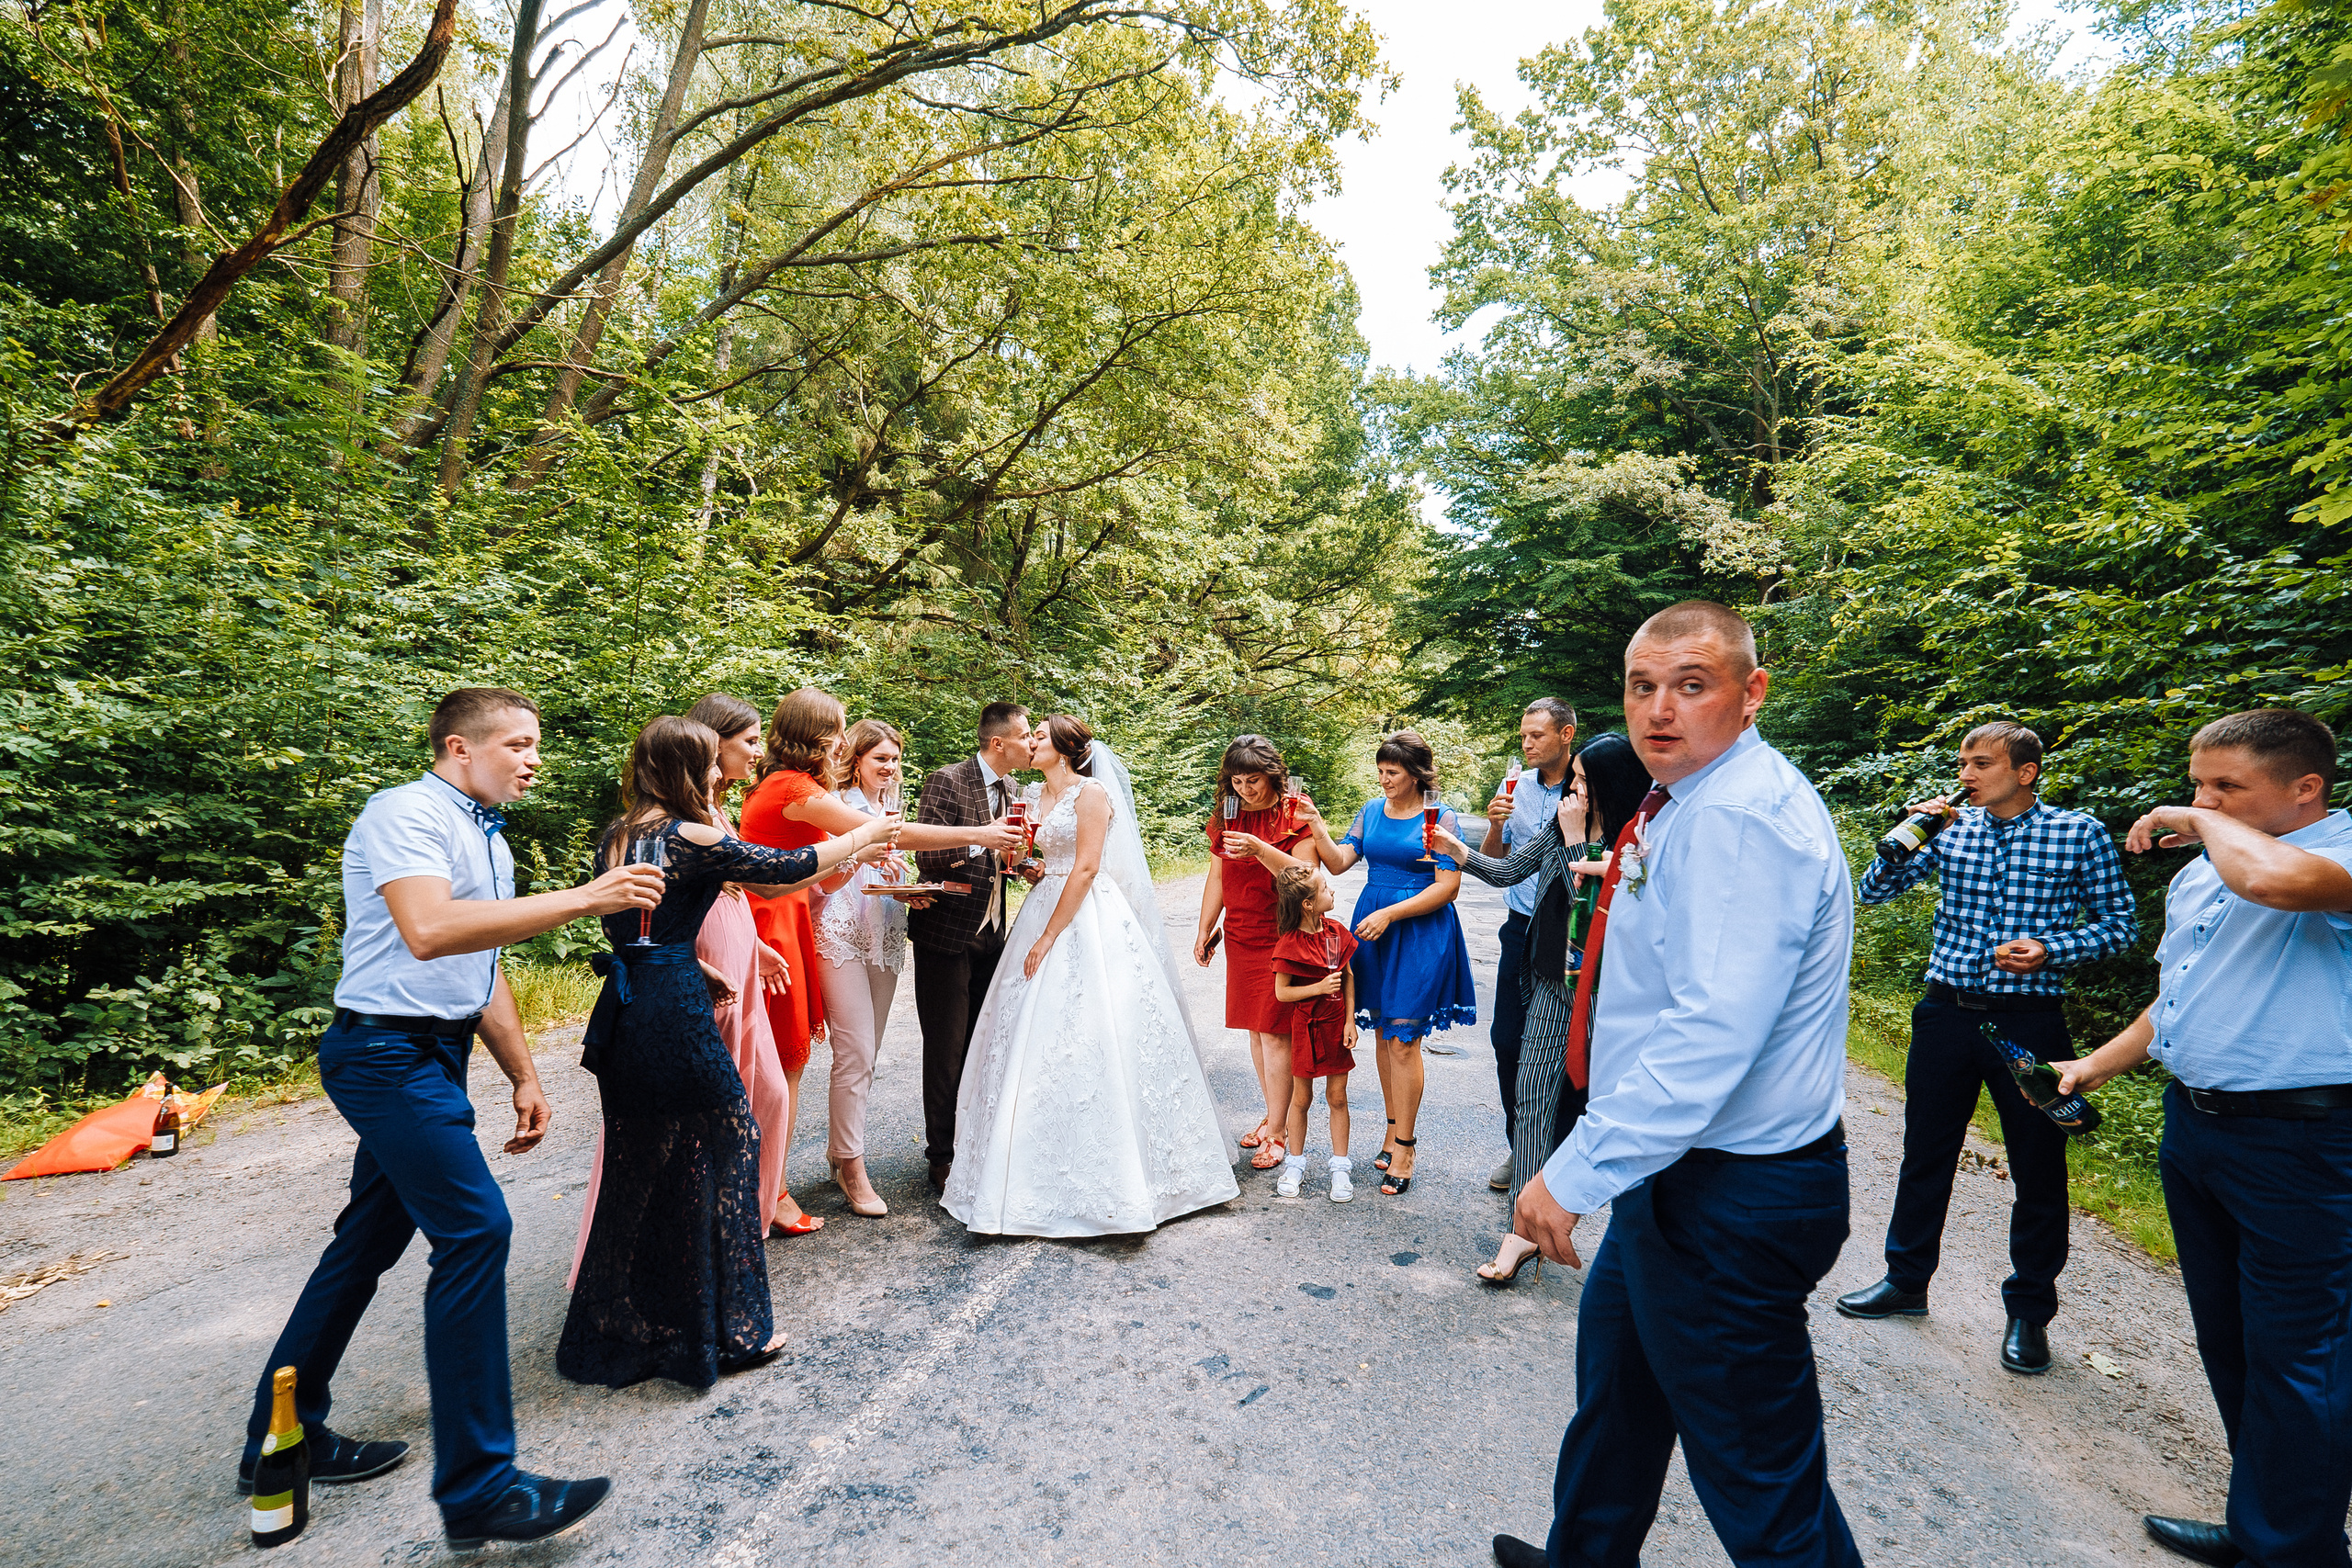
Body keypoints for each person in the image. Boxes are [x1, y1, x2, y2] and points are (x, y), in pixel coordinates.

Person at [237, 687, 663, 1550]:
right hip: (383, 1054)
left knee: (365, 1243)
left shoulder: (484, 834)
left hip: (435, 1053)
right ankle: (479, 1489)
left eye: (536, 742)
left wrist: (522, 1073)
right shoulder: (405, 812)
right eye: (516, 742)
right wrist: (588, 898)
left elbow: (481, 961)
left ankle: (281, 1436)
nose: (533, 757)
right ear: (458, 748)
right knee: (475, 1231)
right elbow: (430, 930)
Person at [1493, 603, 1865, 1568]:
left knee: (1762, 1488)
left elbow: (1709, 1034)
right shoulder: (1685, 800)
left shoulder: (1739, 818)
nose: (1660, 710)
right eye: (1642, 686)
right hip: (1675, 1173)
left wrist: (1571, 1175)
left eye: (1692, 685)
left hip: (1730, 1195)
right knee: (1616, 1403)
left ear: (1751, 695)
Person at [2051, 708, 2352, 1568]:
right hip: (2198, 1125)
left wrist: (2204, 822)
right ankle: (2271, 1522)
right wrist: (2094, 1065)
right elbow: (2179, 993)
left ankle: (2293, 1549)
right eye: (2197, 783)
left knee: (2303, 1353)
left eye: (2228, 786)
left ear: (2305, 789)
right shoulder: (2209, 872)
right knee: (2231, 1338)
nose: (2202, 800)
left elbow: (2279, 886)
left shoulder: (2330, 856)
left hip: (2305, 1142)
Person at [558, 716, 899, 1390]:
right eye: (709, 765)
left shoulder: (621, 832)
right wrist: (865, 833)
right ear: (687, 768)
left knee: (642, 1163)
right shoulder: (691, 834)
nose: (718, 774)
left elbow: (646, 926)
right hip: (673, 1012)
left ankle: (618, 1317)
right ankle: (736, 1329)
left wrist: (696, 962)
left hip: (626, 1008)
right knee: (733, 1142)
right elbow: (788, 867)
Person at [1835, 720, 2136, 1375]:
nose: (1966, 774)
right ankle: (1905, 1280)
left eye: (1980, 763)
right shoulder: (1951, 826)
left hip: (2028, 1021)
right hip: (1946, 1011)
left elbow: (2120, 926)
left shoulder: (2077, 831)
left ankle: (2029, 1311)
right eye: (1963, 762)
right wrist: (1904, 836)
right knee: (1926, 1151)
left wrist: (2054, 949)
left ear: (2024, 772)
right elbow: (1873, 891)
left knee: (2037, 1164)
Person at [943, 716, 1240, 1235]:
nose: (1030, 743)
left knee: (1097, 1029)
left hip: (1084, 916)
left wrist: (1048, 937)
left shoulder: (1092, 793)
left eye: (1039, 738)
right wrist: (1033, 868)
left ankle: (1124, 1178)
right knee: (1029, 1036)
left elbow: (1085, 868)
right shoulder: (1032, 794)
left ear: (1065, 749)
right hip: (1044, 901)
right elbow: (1045, 858)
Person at [741, 688, 1018, 1223]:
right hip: (820, 931)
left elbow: (827, 863)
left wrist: (873, 864)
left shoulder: (805, 786)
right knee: (840, 1056)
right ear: (815, 735)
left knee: (845, 1058)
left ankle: (815, 1162)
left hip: (876, 930)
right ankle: (843, 1164)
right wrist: (982, 833)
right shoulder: (800, 789)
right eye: (839, 731)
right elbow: (890, 835)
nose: (843, 741)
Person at [562, 694, 797, 1283]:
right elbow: (660, 913)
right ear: (706, 749)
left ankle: (743, 1226)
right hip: (698, 956)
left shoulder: (707, 811)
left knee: (762, 1091)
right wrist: (866, 837)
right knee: (700, 1114)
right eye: (745, 741)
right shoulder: (675, 826)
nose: (751, 752)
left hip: (733, 949)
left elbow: (735, 891)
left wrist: (757, 945)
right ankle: (689, 1249)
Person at [1433, 731, 1650, 1285]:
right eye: (1572, 779)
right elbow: (1509, 874)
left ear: (1608, 785)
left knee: (1608, 1111)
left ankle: (1643, 1238)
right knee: (1533, 1098)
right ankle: (1523, 1229)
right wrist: (1458, 849)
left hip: (1603, 996)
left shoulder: (1640, 838)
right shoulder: (1562, 823)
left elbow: (1598, 917)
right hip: (1549, 981)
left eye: (1580, 780)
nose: (1569, 789)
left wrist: (1580, 843)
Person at [1302, 729, 1476, 1196]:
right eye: (1379, 771)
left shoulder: (1440, 818)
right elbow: (1339, 863)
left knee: (1403, 1040)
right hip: (1373, 929)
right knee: (1382, 1035)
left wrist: (1391, 912)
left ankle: (1406, 1146)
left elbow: (1448, 887)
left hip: (1418, 931)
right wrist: (1317, 824)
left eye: (1392, 773)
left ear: (1417, 774)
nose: (1384, 780)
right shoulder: (1371, 811)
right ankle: (1390, 1127)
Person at [908, 701, 1037, 1191]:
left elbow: (1006, 857)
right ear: (998, 742)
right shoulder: (948, 780)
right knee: (945, 1049)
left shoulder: (1016, 789)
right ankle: (941, 1156)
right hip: (946, 934)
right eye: (1026, 736)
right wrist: (985, 841)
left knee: (984, 1045)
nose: (1032, 743)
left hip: (993, 934)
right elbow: (930, 855)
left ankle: (976, 1144)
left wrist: (1024, 866)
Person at [811, 718, 933, 1217]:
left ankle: (840, 1152)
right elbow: (817, 880)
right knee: (855, 1051)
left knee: (869, 1052)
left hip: (884, 931)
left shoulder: (891, 808)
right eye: (880, 758)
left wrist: (909, 888)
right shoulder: (834, 806)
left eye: (895, 759)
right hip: (838, 934)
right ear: (856, 759)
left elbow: (892, 869)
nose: (890, 767)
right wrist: (861, 854)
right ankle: (852, 1165)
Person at [1193, 735, 1322, 1171]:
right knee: (1255, 1030)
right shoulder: (1227, 813)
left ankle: (1280, 1132)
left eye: (1254, 780)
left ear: (1273, 775)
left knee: (1275, 1033)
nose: (1245, 789)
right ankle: (1273, 1114)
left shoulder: (1292, 811)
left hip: (1282, 932)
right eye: (1237, 780)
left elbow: (1308, 877)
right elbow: (1217, 875)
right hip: (1242, 932)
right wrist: (1205, 926)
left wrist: (1260, 848)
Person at [1477, 699, 1577, 1190]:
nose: (1527, 744)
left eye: (1536, 735)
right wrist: (1495, 826)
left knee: (1557, 1050)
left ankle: (1552, 1155)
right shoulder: (1513, 786)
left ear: (1566, 734)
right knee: (1506, 1042)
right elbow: (1497, 866)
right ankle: (1521, 1148)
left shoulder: (1585, 787)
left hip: (1565, 932)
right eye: (1522, 736)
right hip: (1519, 924)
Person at [1269, 864, 1360, 1202]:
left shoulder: (1337, 932)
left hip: (1336, 1025)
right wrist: (1318, 987)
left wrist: (1351, 1020)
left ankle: (1340, 1167)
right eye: (1324, 888)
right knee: (1302, 1098)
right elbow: (1282, 993)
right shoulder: (1290, 943)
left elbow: (1348, 976)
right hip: (1306, 1028)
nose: (1331, 891)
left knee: (1337, 1097)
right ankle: (1295, 1163)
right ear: (1308, 904)